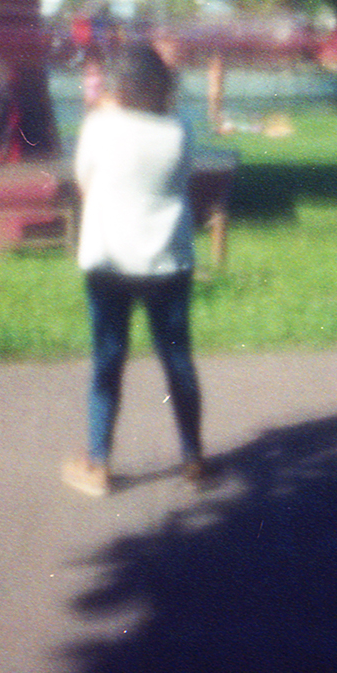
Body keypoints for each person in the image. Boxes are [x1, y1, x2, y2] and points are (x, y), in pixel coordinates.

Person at [62, 42, 206, 497]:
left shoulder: (99, 126)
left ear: (118, 87)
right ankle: (193, 457)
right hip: (167, 260)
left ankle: (99, 462)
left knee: (108, 359)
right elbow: (182, 176)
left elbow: (84, 180)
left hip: (109, 259)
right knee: (177, 359)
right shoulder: (180, 127)